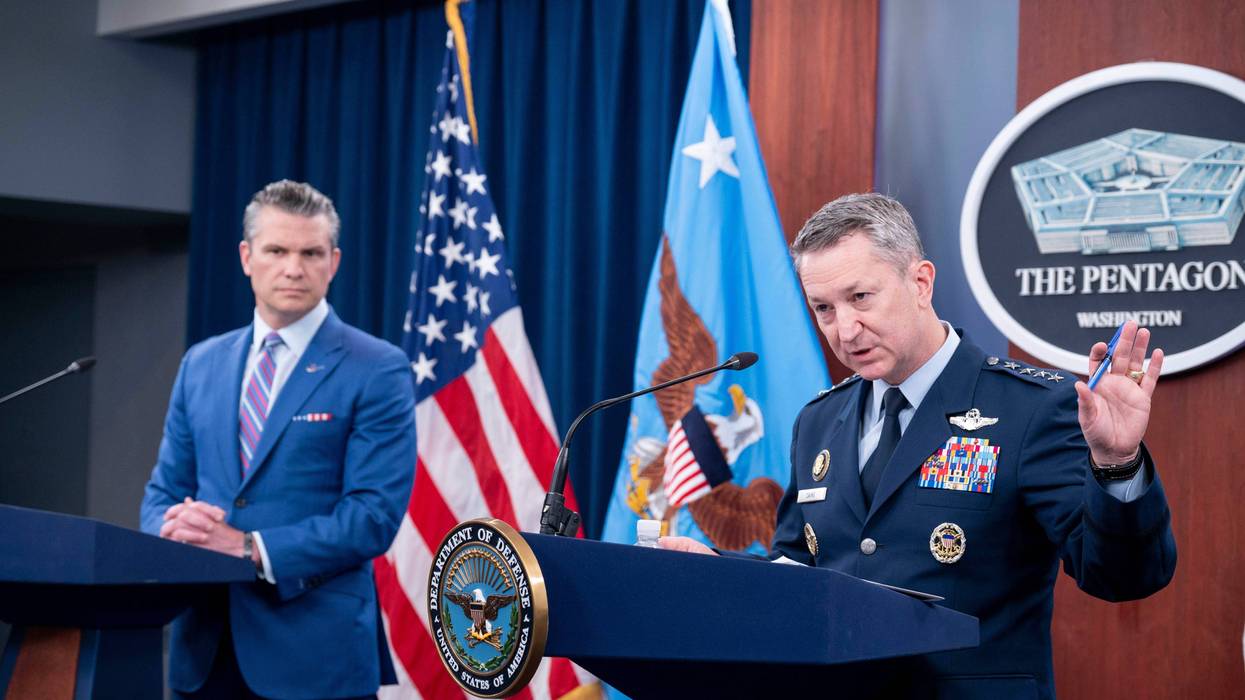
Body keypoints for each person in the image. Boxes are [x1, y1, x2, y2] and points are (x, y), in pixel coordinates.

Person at [661, 193, 1176, 699]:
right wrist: (719, 571)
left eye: (860, 297)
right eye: (823, 308)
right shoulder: (818, 421)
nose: (844, 329)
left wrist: (1115, 463)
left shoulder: (1031, 408)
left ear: (921, 282)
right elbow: (801, 574)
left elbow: (1123, 578)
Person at [140, 180, 416, 699]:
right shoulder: (201, 363)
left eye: (311, 253)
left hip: (315, 662)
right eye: (277, 251)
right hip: (202, 655)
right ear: (247, 257)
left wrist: (248, 547)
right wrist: (176, 527)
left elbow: (372, 516)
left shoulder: (377, 368)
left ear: (333, 262)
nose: (293, 268)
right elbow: (162, 494)